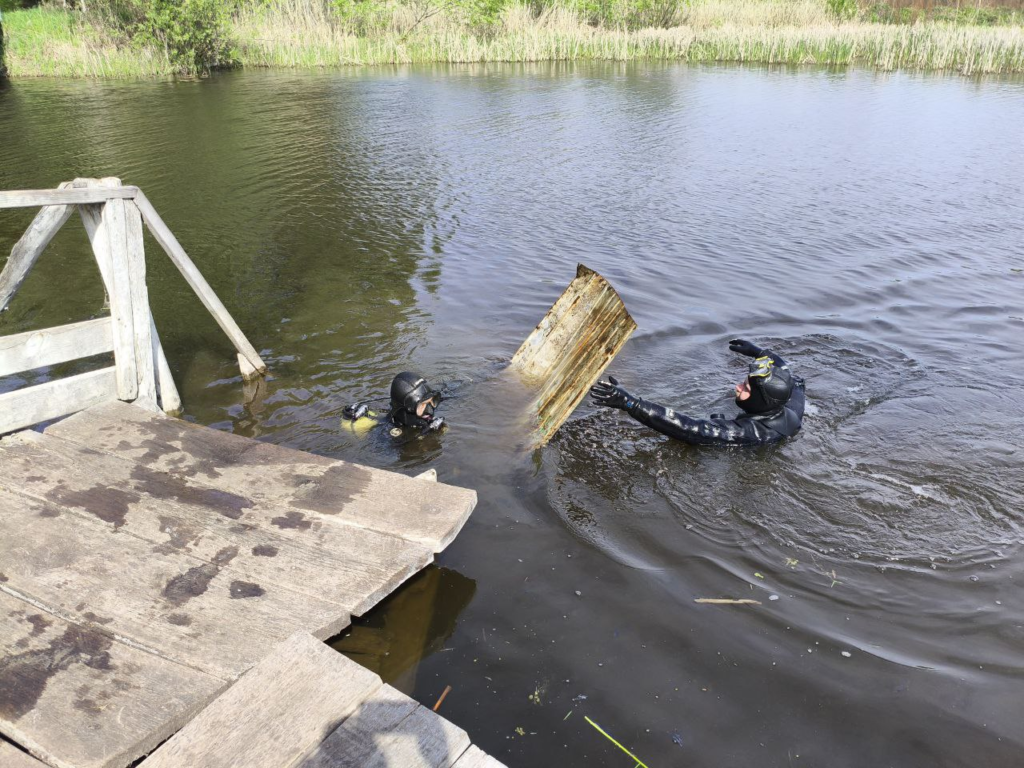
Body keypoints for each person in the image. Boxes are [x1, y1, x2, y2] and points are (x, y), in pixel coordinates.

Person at [589, 339, 805, 446]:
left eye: (746, 388)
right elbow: (788, 373)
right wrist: (759, 352)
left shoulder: (751, 432)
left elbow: (691, 429)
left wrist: (631, 404)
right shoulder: (791, 405)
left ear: (761, 400)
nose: (737, 387)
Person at [342, 371, 445, 437]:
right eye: (423, 405)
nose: (430, 410)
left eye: (433, 401)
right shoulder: (384, 433)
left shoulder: (427, 421)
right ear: (408, 408)